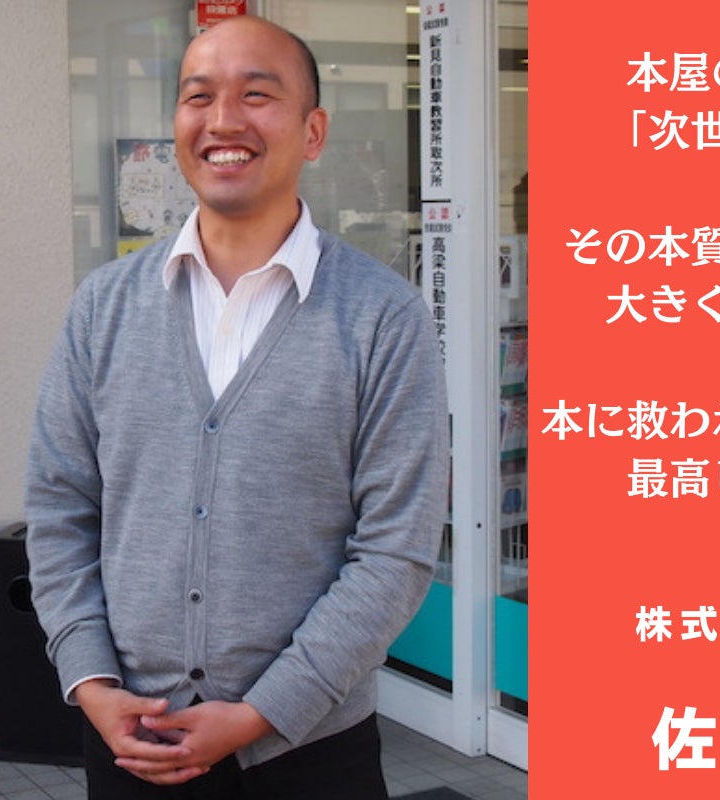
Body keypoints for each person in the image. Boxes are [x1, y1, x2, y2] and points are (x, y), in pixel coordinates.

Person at [25, 15, 448, 799]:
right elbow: (60, 509)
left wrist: (262, 712)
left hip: (313, 754)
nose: (223, 120)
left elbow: (397, 548)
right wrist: (91, 682)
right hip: (130, 742)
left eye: (257, 95)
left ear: (313, 132)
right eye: (198, 97)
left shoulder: (383, 317)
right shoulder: (103, 308)